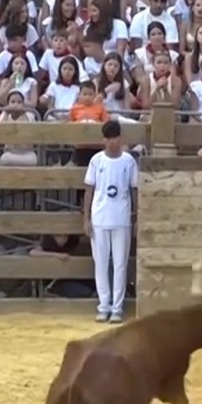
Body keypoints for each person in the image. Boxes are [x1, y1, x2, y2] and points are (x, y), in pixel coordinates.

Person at [82, 121, 138, 323]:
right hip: (100, 217)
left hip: (121, 218)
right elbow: (89, 189)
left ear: (120, 138)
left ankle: (117, 307)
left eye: (116, 137)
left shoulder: (129, 161)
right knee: (101, 264)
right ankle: (103, 305)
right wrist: (86, 218)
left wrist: (135, 214)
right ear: (104, 139)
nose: (113, 141)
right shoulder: (96, 161)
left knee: (121, 264)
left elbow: (134, 190)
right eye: (109, 137)